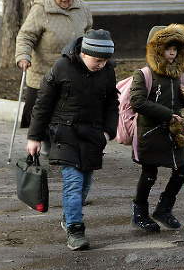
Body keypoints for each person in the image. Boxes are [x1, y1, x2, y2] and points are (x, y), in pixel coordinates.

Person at [26, 30, 119, 251]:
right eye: (98, 60)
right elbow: (42, 105)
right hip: (64, 135)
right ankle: (75, 230)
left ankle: (69, 218)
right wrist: (34, 137)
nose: (101, 65)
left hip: (93, 136)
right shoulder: (61, 68)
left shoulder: (107, 72)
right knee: (74, 183)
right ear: (85, 53)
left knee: (85, 185)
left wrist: (108, 133)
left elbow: (112, 105)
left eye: (106, 61)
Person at [129, 24, 184, 232]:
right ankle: (139, 213)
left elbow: (182, 104)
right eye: (168, 49)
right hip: (150, 133)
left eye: (175, 49)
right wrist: (166, 113)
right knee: (149, 174)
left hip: (173, 134)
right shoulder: (144, 74)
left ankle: (164, 208)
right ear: (157, 50)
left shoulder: (180, 74)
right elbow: (137, 102)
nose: (173, 53)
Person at [15, 0, 93, 128]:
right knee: (41, 115)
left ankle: (62, 147)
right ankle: (39, 146)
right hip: (43, 73)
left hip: (72, 71)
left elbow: (89, 34)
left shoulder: (82, 8)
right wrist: (23, 56)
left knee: (66, 113)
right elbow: (26, 36)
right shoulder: (41, 9)